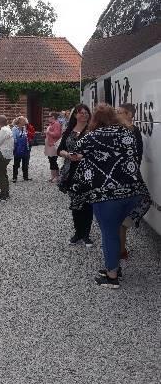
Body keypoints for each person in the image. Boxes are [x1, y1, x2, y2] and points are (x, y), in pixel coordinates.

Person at [70, 104, 150, 288]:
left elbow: (74, 154)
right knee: (116, 230)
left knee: (109, 234)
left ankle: (112, 276)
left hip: (106, 195)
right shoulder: (127, 133)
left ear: (95, 120)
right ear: (114, 117)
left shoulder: (91, 136)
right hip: (132, 192)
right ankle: (113, 265)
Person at [57, 104, 93, 247]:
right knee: (75, 203)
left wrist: (82, 156)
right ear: (75, 115)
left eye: (86, 113)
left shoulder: (92, 131)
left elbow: (96, 151)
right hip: (70, 171)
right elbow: (60, 149)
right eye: (81, 113)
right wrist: (67, 155)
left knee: (87, 203)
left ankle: (86, 234)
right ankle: (78, 232)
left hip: (87, 171)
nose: (83, 115)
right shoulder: (69, 131)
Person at [116, 103, 144, 261]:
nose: (116, 115)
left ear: (128, 114)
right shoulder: (120, 130)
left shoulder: (133, 131)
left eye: (119, 112)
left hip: (127, 179)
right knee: (120, 218)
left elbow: (137, 157)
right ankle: (120, 249)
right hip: (122, 179)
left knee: (122, 218)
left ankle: (120, 249)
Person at [0, 115, 14, 202]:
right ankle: (6, 193)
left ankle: (3, 195)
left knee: (0, 174)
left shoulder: (4, 130)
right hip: (7, 154)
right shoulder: (8, 129)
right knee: (3, 173)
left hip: (3, 154)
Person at [12, 116, 31, 182]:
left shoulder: (24, 128)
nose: (25, 122)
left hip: (25, 147)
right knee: (16, 163)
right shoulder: (14, 128)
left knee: (25, 163)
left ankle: (25, 177)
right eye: (23, 120)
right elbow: (14, 138)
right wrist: (16, 146)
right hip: (17, 148)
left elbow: (26, 137)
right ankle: (14, 177)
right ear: (19, 121)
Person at [45, 112, 62, 182]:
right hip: (49, 144)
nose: (48, 117)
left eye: (49, 116)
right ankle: (53, 176)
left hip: (53, 145)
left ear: (53, 117)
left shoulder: (56, 124)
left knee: (53, 160)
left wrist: (48, 132)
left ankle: (57, 176)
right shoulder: (51, 124)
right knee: (51, 160)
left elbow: (57, 134)